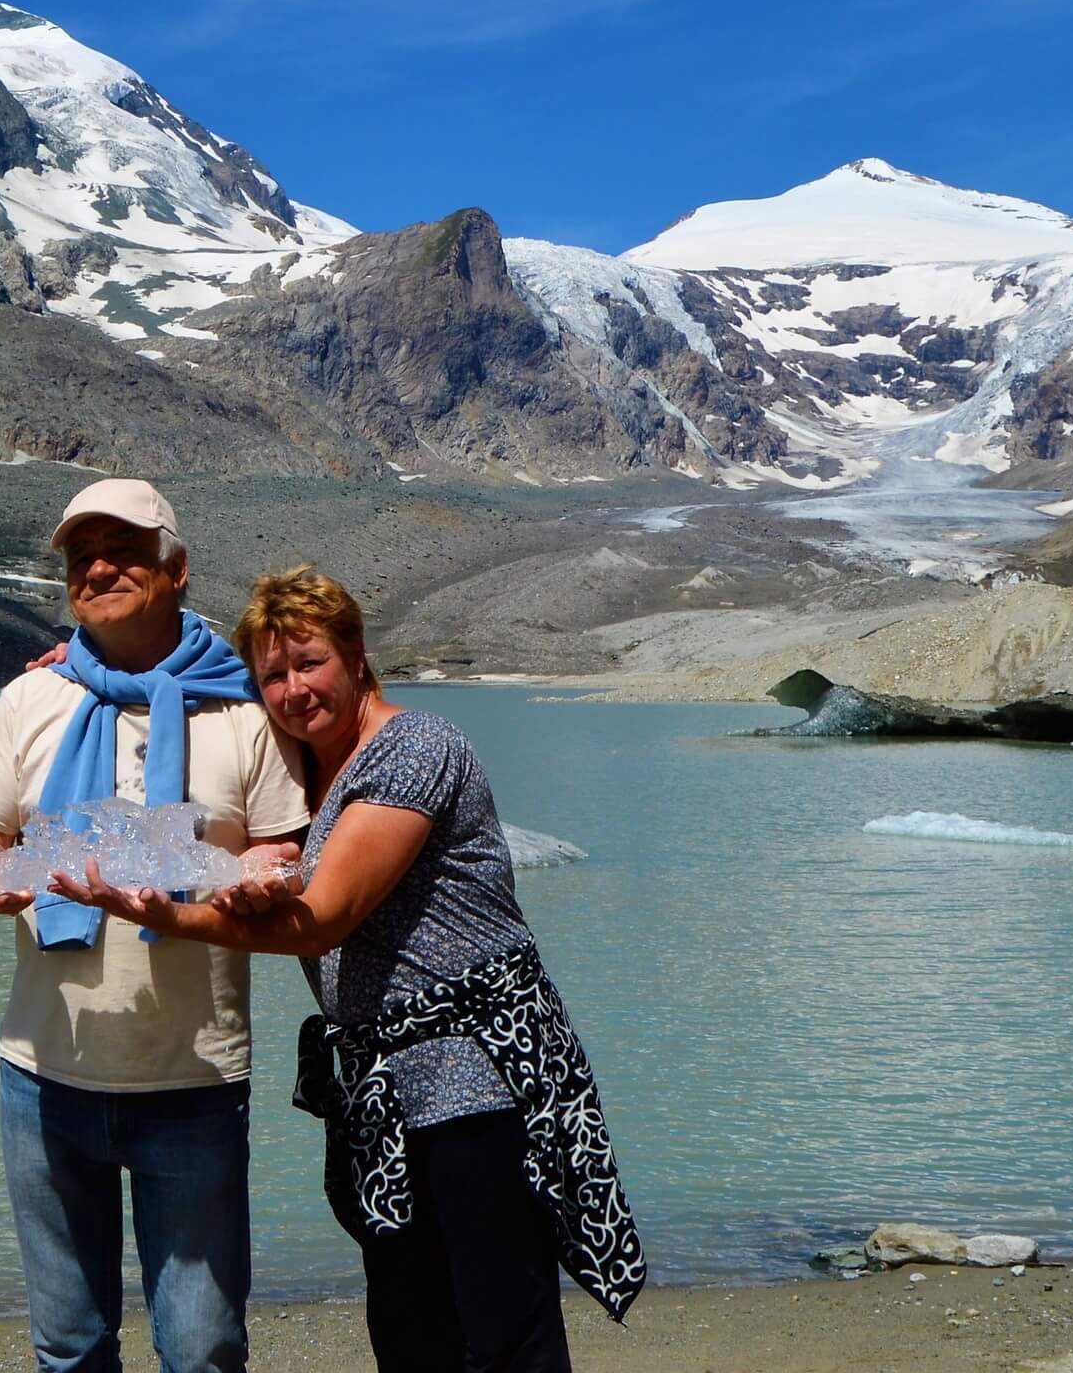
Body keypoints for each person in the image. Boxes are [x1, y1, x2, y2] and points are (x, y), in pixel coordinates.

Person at [54, 566, 644, 1373]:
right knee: (410, 1331)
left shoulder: (416, 745)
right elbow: (186, 675)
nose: (292, 689)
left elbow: (323, 921)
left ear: (356, 654)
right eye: (273, 674)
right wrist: (75, 660)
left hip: (473, 1071)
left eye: (309, 662)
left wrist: (167, 916)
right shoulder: (310, 767)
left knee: (502, 1331)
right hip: (384, 1090)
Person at [0, 479, 310, 1373]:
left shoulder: (243, 710)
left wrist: (249, 886)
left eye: (125, 552)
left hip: (193, 1077)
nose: (99, 568)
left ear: (176, 572)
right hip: (42, 1074)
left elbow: (281, 852)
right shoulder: (31, 700)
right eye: (80, 556)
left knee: (204, 1348)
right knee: (68, 1346)